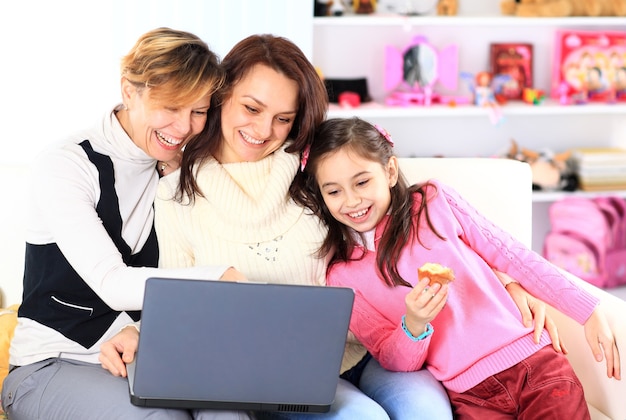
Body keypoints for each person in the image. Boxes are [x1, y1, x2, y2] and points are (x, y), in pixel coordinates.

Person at [293, 116, 621, 419]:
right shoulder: (342, 274)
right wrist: (415, 323)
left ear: (390, 172)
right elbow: (392, 359)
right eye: (333, 191)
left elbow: (513, 255)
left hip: (536, 367)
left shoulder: (434, 202)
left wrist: (587, 311)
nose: (351, 201)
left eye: (362, 182)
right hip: (469, 396)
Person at [2, 27, 252, 420]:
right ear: (129, 91)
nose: (184, 127)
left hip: (147, 353)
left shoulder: (172, 168)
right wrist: (221, 277)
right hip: (53, 364)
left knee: (230, 414)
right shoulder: (67, 164)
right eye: (171, 106)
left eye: (198, 111)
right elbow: (113, 283)